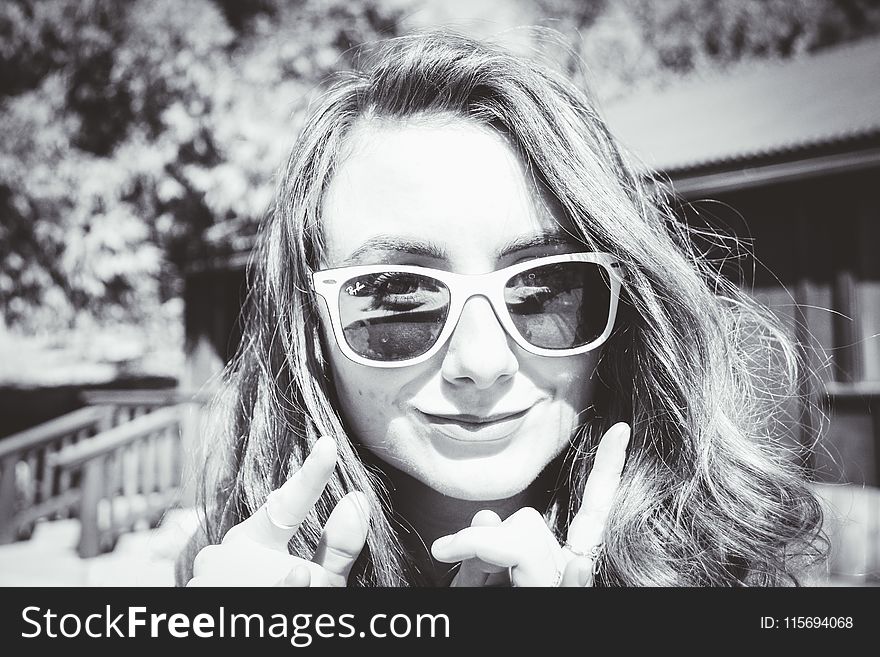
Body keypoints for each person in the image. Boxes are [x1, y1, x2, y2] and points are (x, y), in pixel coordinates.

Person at [178, 30, 826, 587]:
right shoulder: (232, 574)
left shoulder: (728, 572)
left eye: (543, 289)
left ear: (619, 314)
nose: (482, 362)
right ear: (312, 327)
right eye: (399, 296)